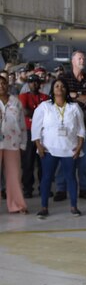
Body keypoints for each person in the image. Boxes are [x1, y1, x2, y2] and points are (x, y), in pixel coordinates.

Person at [32, 78, 85, 218]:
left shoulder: (74, 107)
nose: (59, 88)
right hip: (49, 149)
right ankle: (44, 207)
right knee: (46, 178)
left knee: (71, 177)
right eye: (56, 86)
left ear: (66, 89)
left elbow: (81, 128)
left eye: (62, 86)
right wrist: (39, 146)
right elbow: (35, 128)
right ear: (52, 89)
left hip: (70, 149)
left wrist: (79, 146)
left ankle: (74, 206)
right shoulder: (44, 106)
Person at [54, 50, 86, 202]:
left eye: (84, 58)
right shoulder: (63, 78)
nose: (82, 60)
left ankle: (84, 188)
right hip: (66, 126)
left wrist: (75, 95)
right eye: (79, 58)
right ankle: (61, 189)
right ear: (72, 61)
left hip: (84, 126)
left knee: (84, 160)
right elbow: (61, 97)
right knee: (63, 158)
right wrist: (80, 97)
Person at [0, 73, 28, 213]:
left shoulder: (15, 101)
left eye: (3, 83)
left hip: (13, 143)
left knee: (14, 175)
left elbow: (22, 123)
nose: (1, 86)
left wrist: (23, 143)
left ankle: (17, 205)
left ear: (8, 85)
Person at [18, 74, 49, 198]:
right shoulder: (23, 96)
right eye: (31, 82)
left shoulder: (45, 97)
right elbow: (24, 111)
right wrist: (40, 114)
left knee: (42, 162)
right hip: (28, 131)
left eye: (36, 82)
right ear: (28, 84)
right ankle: (27, 188)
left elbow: (48, 113)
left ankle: (43, 187)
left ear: (40, 84)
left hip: (43, 133)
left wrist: (34, 114)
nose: (34, 84)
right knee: (28, 162)